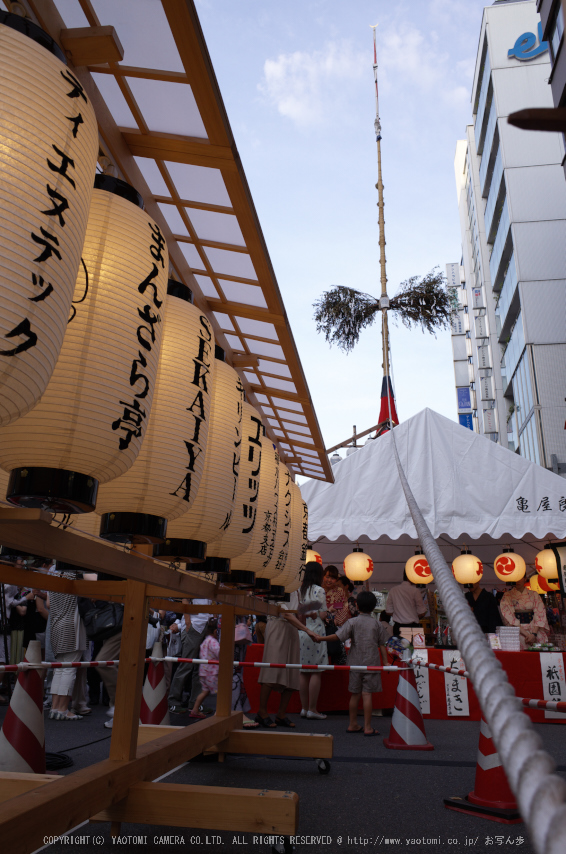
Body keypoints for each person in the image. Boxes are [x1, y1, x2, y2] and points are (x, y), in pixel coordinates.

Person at [316, 590, 390, 736]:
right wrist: (386, 662)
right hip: (371, 662)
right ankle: (368, 727)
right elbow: (382, 645)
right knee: (367, 694)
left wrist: (321, 638)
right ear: (374, 606)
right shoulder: (377, 624)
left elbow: (338, 636)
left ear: (356, 605)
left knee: (355, 694)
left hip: (355, 662)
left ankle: (353, 724)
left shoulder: (352, 622)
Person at [255, 591, 318, 728]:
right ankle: (262, 712)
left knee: (292, 673)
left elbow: (295, 609)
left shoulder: (296, 587)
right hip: (277, 625)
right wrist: (307, 630)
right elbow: (286, 613)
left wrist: (309, 612)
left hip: (291, 629)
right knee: (271, 670)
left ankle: (281, 714)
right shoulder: (279, 581)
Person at [48, 569, 88, 720]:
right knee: (69, 669)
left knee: (60, 668)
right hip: (73, 624)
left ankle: (55, 708)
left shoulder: (52, 574)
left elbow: (48, 603)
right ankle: (63, 709)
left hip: (56, 623)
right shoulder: (75, 574)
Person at [168, 598, 211, 717]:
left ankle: (195, 702)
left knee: (200, 667)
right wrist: (187, 623)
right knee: (186, 665)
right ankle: (173, 701)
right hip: (194, 625)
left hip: (203, 625)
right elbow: (185, 599)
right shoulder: (197, 580)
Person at [298, 561, 328, 720]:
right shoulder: (319, 590)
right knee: (316, 670)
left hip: (301, 631)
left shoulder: (299, 590)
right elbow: (322, 614)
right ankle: (312, 709)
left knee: (303, 670)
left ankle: (303, 708)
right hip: (316, 632)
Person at [500, 575, 550, 649]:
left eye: (520, 578)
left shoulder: (534, 594)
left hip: (534, 629)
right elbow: (509, 617)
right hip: (518, 630)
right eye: (515, 578)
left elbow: (540, 614)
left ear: (525, 579)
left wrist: (534, 634)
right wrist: (527, 634)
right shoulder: (507, 595)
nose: (517, 581)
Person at [191, 618, 220, 716]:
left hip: (203, 671)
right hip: (212, 672)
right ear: (216, 631)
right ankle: (221, 712)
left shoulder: (204, 642)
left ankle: (195, 710)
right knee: (221, 691)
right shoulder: (214, 642)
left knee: (205, 692)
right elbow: (219, 653)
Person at [385, 571, 427, 637]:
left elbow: (388, 611)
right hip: (413, 627)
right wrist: (413, 615)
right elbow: (422, 612)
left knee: (398, 647)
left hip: (398, 627)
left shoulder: (393, 590)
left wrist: (399, 614)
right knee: (413, 647)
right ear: (409, 576)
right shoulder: (415, 591)